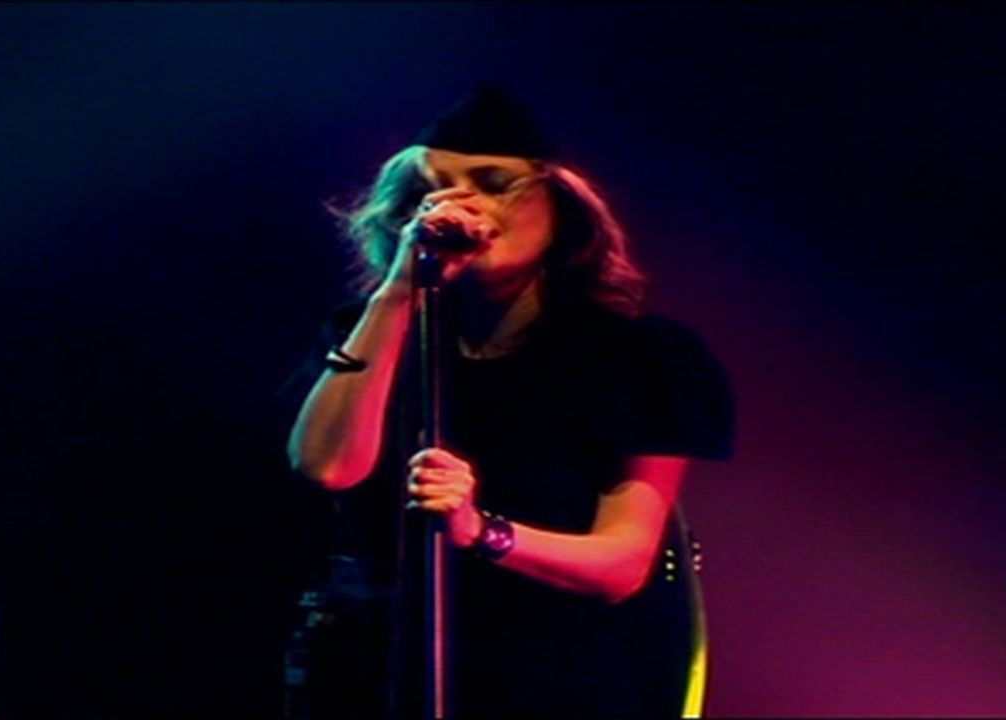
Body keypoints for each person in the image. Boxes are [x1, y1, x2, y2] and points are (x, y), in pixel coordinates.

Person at [278, 85, 734, 719]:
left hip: (548, 674)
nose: (457, 204)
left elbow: (623, 562)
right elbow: (328, 465)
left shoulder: (637, 357)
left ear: (559, 204)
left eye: (493, 184)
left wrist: (480, 531)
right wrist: (402, 286)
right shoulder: (370, 330)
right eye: (432, 190)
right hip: (376, 665)